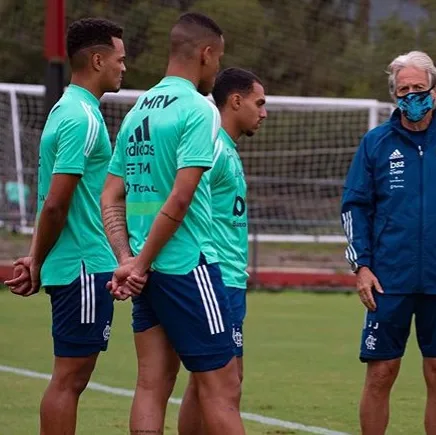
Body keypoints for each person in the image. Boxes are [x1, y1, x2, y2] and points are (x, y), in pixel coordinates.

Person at [100, 12, 243, 435]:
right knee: (223, 388)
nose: (217, 69)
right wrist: (139, 264)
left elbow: (110, 194)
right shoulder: (199, 110)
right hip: (185, 264)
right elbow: (180, 199)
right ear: (206, 53)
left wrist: (127, 259)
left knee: (151, 385)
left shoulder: (137, 109)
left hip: (146, 273)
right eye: (218, 59)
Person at [340, 50, 436, 435]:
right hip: (387, 278)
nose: (412, 96)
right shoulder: (375, 143)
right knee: (381, 372)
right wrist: (362, 266)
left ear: (435, 91)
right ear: (395, 96)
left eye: (419, 88)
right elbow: (355, 207)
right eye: (403, 90)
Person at [3, 18, 125, 435]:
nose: (123, 67)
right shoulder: (82, 118)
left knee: (67, 379)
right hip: (84, 266)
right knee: (69, 381)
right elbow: (56, 202)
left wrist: (38, 255)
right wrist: (37, 259)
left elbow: (55, 203)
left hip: (73, 264)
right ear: (97, 59)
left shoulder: (66, 108)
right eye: (119, 59)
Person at [177, 67, 267, 435]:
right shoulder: (212, 147)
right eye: (259, 103)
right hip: (216, 278)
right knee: (225, 379)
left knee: (206, 379)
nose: (263, 112)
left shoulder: (226, 148)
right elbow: (181, 200)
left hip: (228, 277)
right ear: (235, 101)